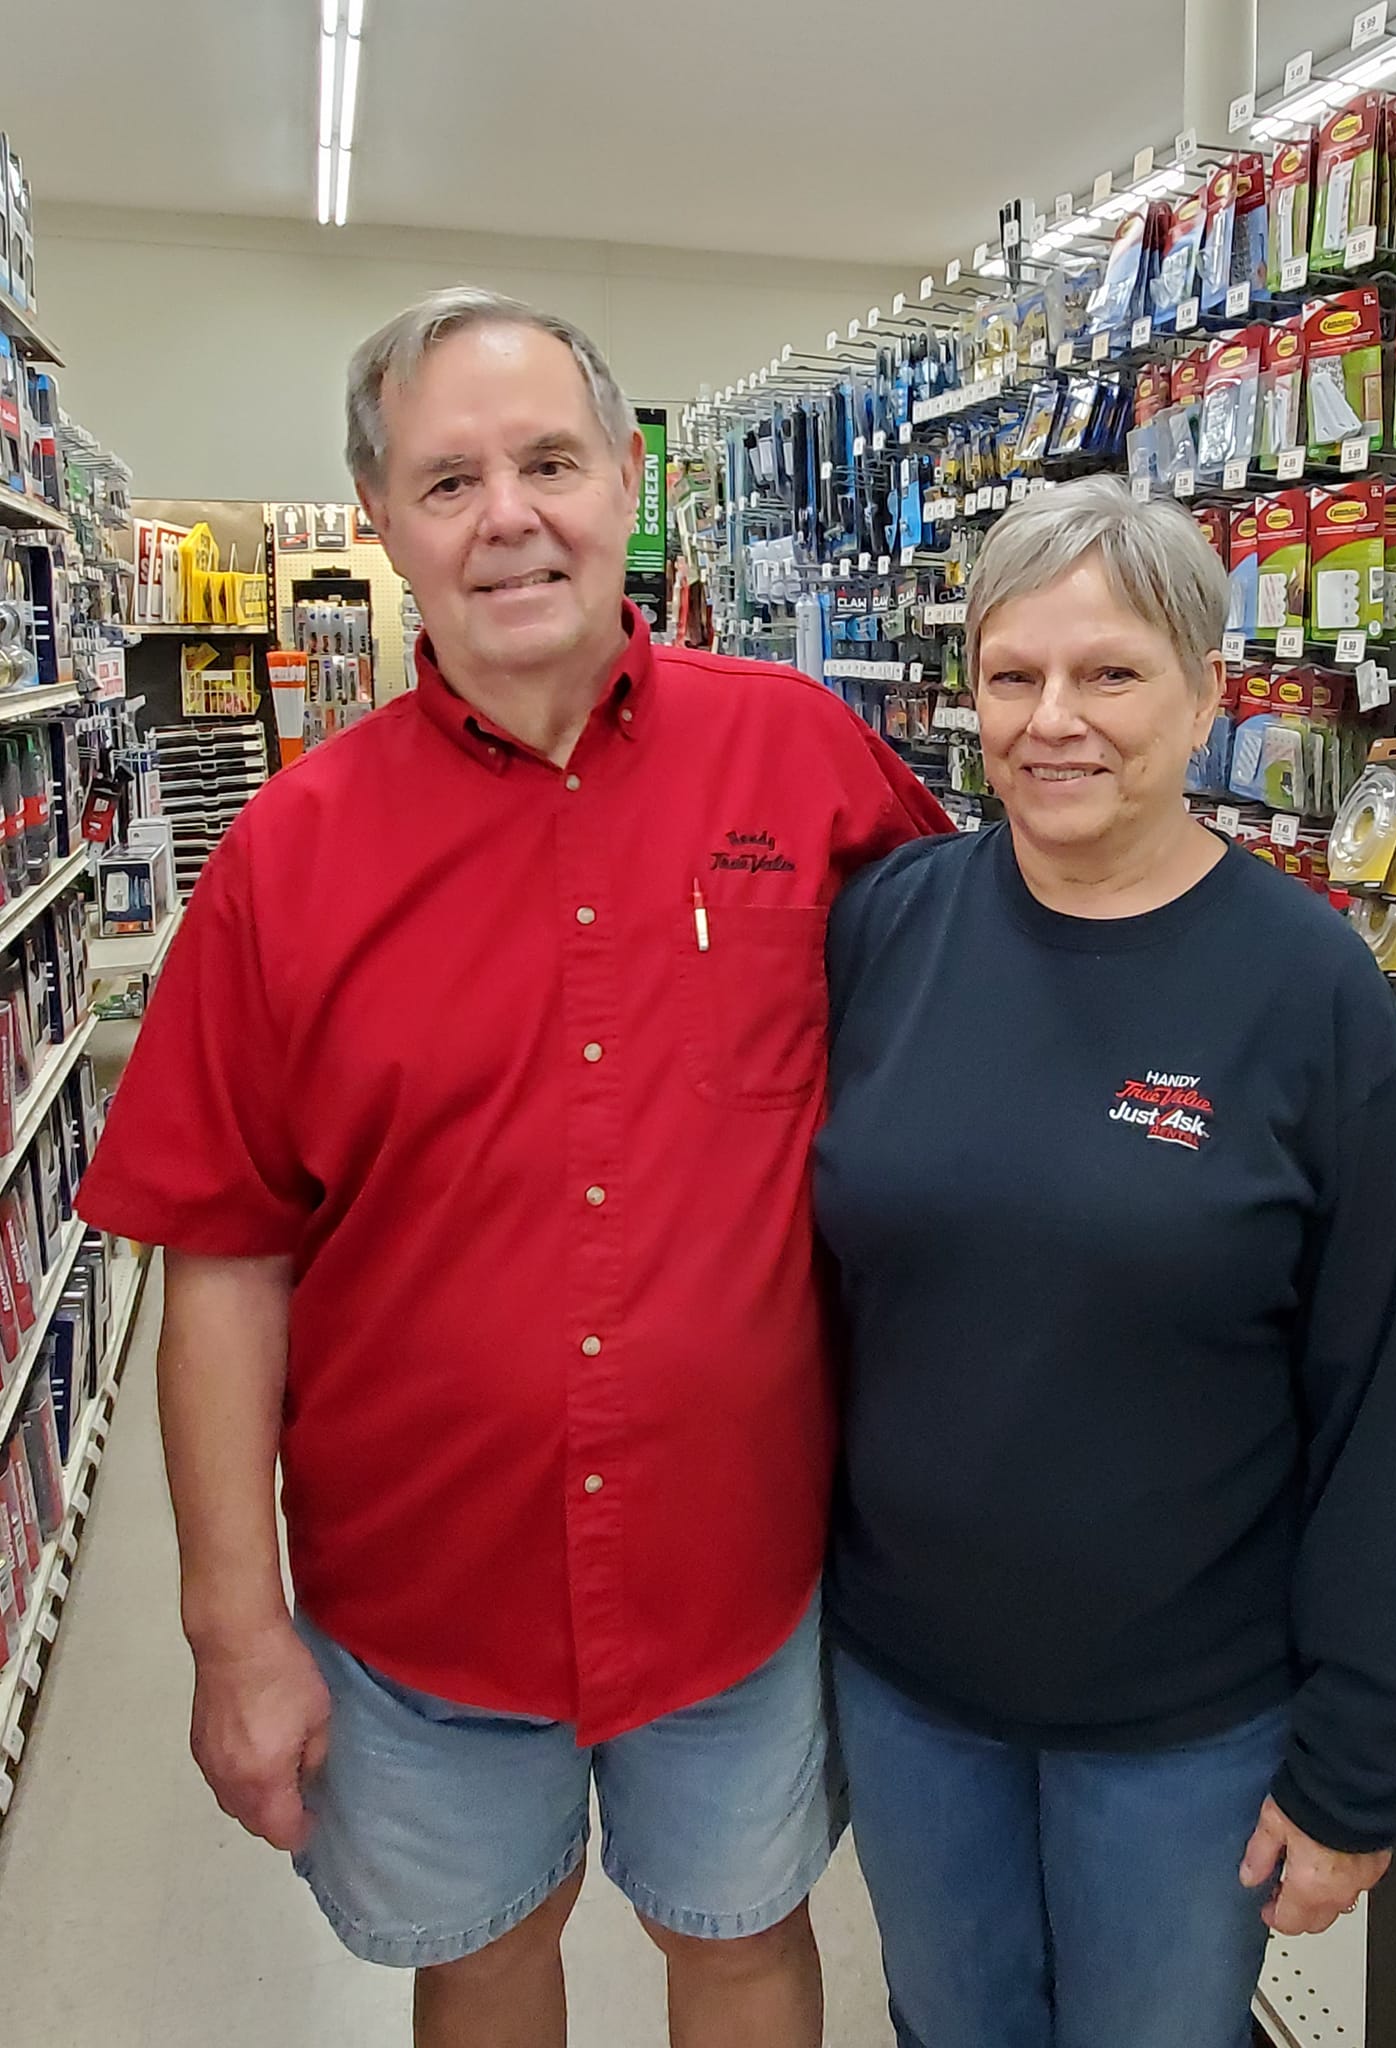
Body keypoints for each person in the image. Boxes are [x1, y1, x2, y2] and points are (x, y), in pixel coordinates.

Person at [77, 288, 949, 2048]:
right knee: (483, 1948)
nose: (510, 515)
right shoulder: (288, 860)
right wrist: (236, 1632)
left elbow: (973, 1063)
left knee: (742, 1935)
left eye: (549, 461)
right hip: (423, 1595)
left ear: (629, 478)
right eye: (450, 478)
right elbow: (224, 1264)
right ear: (384, 523)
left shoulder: (808, 760)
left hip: (741, 1561)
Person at [813, 477, 1396, 2048]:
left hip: (1189, 1723)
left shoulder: (1311, 995)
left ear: (1207, 698)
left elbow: (1389, 1393)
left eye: (1109, 673)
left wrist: (1364, 1757)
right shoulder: (891, 928)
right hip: (912, 1688)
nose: (1056, 720)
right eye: (1012, 676)